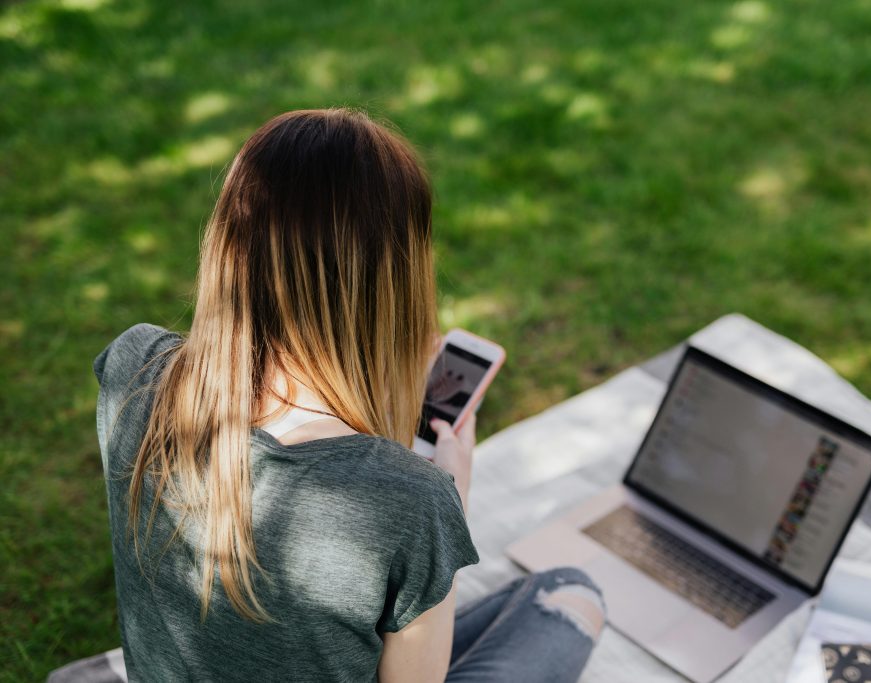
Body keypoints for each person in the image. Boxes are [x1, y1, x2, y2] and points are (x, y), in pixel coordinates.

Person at [92, 108, 606, 682]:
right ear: (394, 280)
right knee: (569, 594)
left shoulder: (131, 366)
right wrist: (450, 500)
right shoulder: (412, 502)